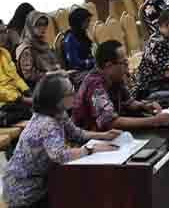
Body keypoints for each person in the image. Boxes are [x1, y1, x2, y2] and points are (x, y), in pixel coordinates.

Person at [3, 74, 120, 208]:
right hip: (24, 191)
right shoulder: (47, 124)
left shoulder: (59, 113)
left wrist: (105, 135)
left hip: (39, 183)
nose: (75, 94)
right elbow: (60, 156)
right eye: (71, 92)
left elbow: (77, 134)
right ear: (57, 99)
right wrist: (90, 150)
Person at [73, 40, 169, 131]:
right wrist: (154, 121)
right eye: (124, 63)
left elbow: (129, 102)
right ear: (109, 65)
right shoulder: (94, 84)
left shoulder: (115, 77)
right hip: (90, 139)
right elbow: (111, 123)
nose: (127, 69)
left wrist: (144, 105)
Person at [16, 12, 62, 89]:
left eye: (44, 24)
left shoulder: (43, 44)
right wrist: (51, 74)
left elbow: (53, 63)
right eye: (38, 24)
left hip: (52, 80)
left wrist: (57, 70)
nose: (43, 28)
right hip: (38, 87)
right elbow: (29, 75)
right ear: (30, 26)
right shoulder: (26, 49)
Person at [0, 21, 33, 124]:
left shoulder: (4, 53)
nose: (3, 36)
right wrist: (20, 98)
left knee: (44, 104)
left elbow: (15, 77)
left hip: (14, 98)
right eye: (0, 32)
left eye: (4, 32)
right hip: (4, 101)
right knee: (31, 112)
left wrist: (28, 91)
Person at [62, 8, 95, 74]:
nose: (88, 24)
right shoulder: (70, 38)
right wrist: (92, 62)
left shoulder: (82, 34)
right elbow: (74, 63)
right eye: (87, 21)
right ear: (78, 23)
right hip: (78, 73)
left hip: (89, 69)